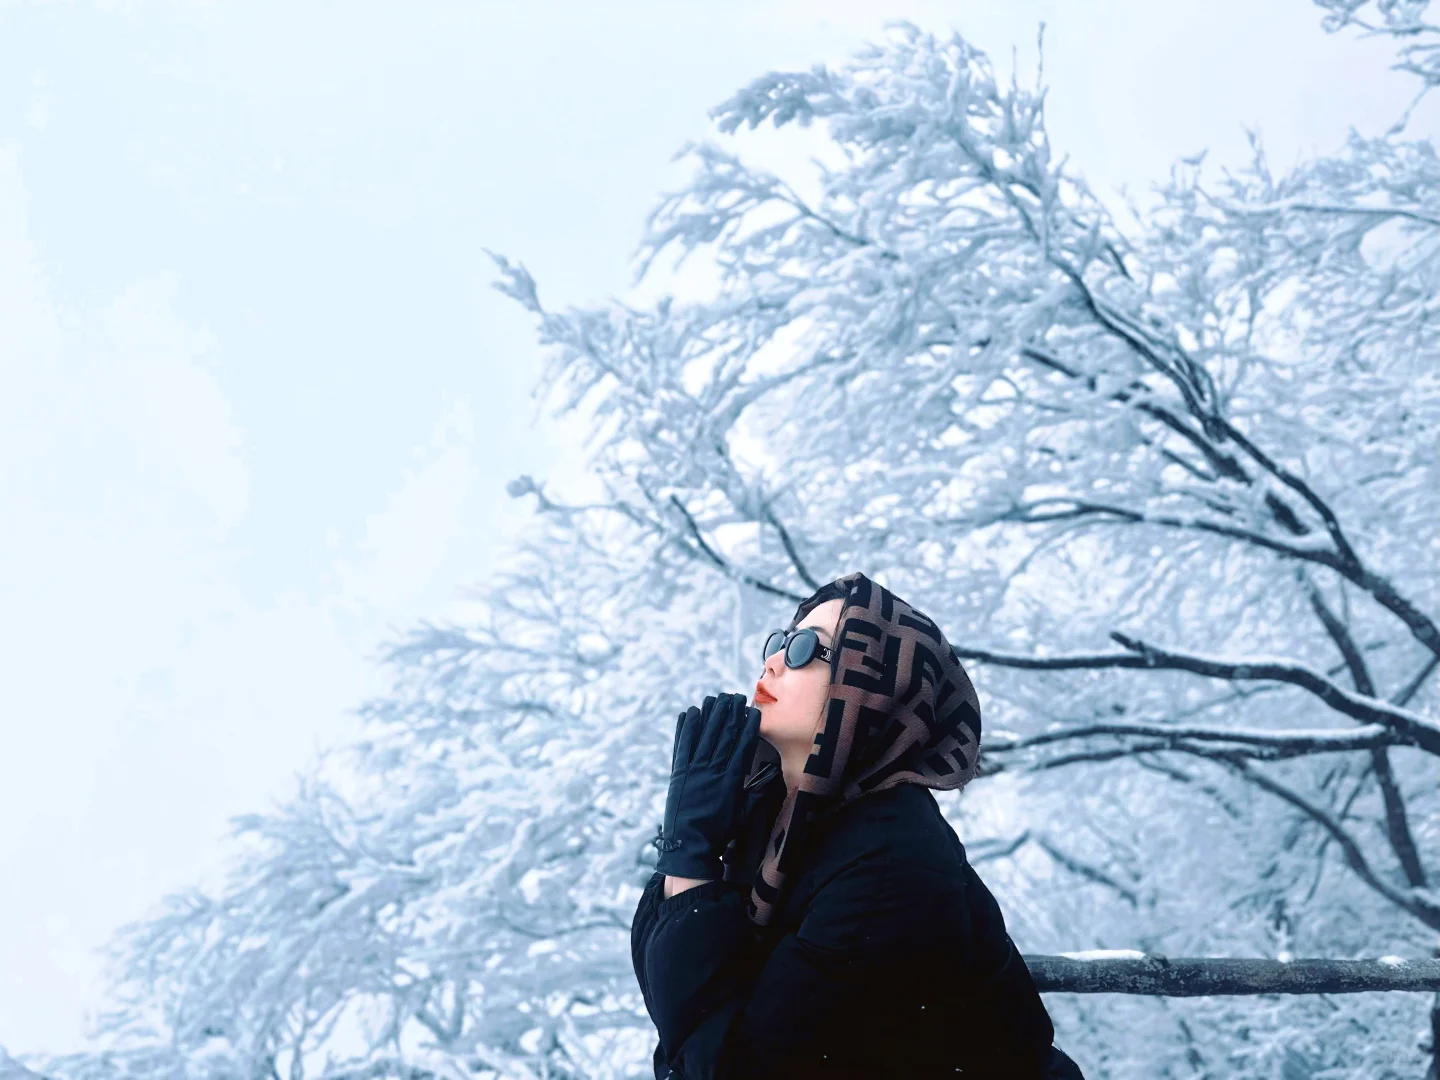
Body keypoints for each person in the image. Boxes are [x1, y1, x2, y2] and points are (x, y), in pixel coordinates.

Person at [630, 570, 1087, 1079]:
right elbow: (670, 1005)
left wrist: (691, 858)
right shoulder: (763, 811)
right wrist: (689, 840)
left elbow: (731, 1064)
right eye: (781, 640)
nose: (776, 660)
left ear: (871, 689)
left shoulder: (892, 861)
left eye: (807, 648)